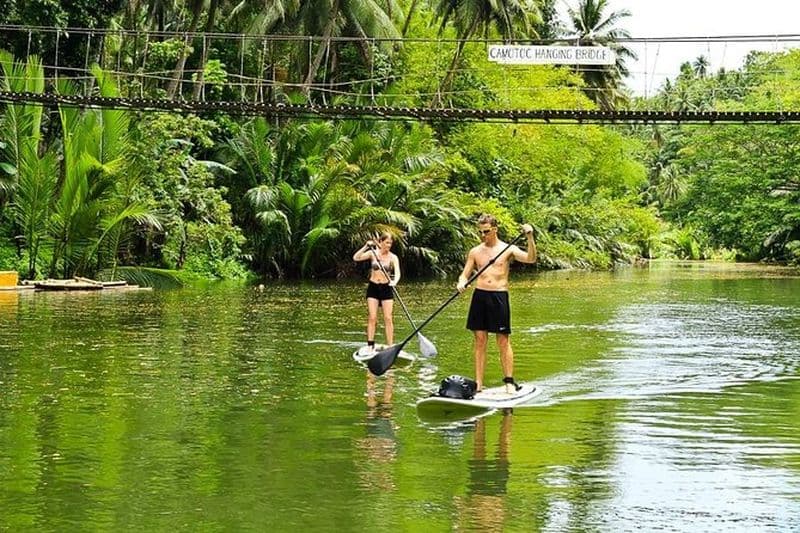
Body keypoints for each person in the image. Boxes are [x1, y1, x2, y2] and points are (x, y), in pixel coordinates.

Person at [457, 214, 536, 393]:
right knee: (479, 340)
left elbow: (531, 259)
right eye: (480, 232)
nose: (483, 235)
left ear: (495, 229)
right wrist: (461, 282)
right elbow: (465, 273)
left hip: (499, 296)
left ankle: (509, 381)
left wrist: (530, 237)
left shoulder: (508, 249)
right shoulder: (475, 251)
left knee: (502, 340)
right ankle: (478, 383)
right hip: (480, 296)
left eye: (486, 232)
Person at [353, 232, 401, 352]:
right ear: (380, 242)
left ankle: (390, 346)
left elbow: (398, 272)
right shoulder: (372, 253)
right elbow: (356, 257)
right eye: (386, 242)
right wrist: (365, 246)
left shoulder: (393, 257)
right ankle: (370, 345)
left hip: (386, 288)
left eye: (390, 243)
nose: (389, 245)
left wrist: (394, 281)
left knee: (388, 318)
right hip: (373, 287)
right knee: (372, 317)